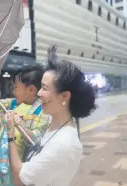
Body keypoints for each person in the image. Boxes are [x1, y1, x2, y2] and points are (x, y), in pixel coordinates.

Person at [5, 45, 97, 186]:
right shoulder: (52, 123)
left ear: (64, 96)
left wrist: (10, 135)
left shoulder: (64, 144)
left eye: (45, 88)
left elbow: (19, 178)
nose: (39, 93)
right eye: (40, 86)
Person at [0, 64, 51, 185]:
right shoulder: (14, 104)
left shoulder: (42, 112)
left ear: (31, 90)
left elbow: (35, 139)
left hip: (12, 169)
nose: (13, 92)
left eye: (15, 88)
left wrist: (20, 125)